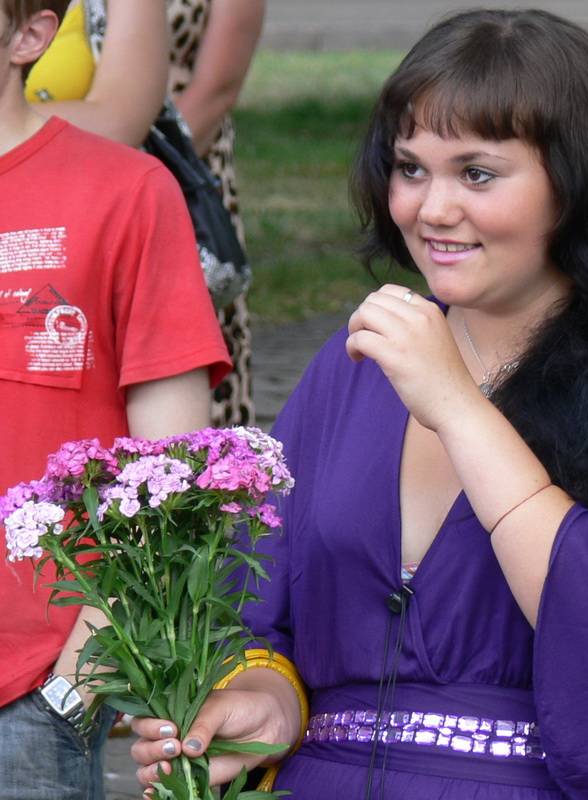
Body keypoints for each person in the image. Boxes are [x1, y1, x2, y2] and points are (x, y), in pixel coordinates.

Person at [131, 9, 588, 799]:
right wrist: (267, 699)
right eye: (410, 169)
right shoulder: (354, 363)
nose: (432, 209)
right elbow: (259, 610)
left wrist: (459, 408)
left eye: (477, 174)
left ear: (579, 182)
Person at [0, 3, 231, 798]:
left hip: (26, 696)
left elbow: (169, 474)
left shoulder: (124, 191)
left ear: (29, 36)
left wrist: (70, 690)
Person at [25, 0, 266, 427]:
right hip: (52, 192)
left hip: (152, 180)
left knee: (166, 395)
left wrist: (148, 189)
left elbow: (207, 92)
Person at [166, 0, 267, 426]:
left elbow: (218, 87)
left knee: (190, 354)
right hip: (42, 171)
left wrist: (129, 186)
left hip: (182, 169)